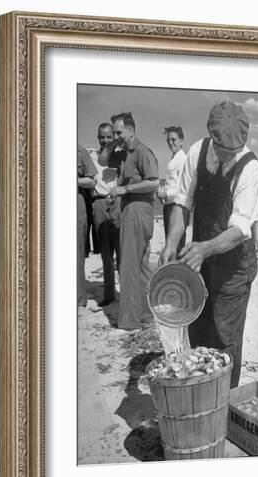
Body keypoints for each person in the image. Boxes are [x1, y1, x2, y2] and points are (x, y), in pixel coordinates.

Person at [160, 100, 258, 388]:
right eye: (223, 150)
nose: (228, 157)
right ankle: (202, 397)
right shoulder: (197, 151)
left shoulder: (250, 168)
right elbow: (182, 203)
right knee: (199, 330)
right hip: (201, 262)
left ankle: (224, 404)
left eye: (234, 151)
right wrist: (171, 242)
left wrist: (204, 248)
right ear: (212, 138)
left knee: (224, 338)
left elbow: (240, 229)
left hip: (234, 268)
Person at [109, 112, 159, 331]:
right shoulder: (125, 153)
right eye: (113, 133)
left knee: (129, 265)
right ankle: (146, 314)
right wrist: (112, 143)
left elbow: (154, 182)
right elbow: (102, 159)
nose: (116, 136)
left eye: (119, 132)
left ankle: (129, 321)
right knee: (140, 267)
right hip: (137, 211)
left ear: (131, 129)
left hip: (137, 211)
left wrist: (125, 188)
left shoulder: (141, 151)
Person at [89, 123, 127, 307]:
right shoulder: (92, 156)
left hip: (116, 203)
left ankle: (126, 294)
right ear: (97, 138)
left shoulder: (120, 155)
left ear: (113, 137)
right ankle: (109, 294)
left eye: (108, 137)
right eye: (101, 137)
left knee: (121, 252)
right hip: (98, 204)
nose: (105, 140)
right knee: (105, 253)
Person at [157, 126, 187, 255]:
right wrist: (162, 195)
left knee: (176, 244)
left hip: (177, 206)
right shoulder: (174, 158)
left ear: (181, 141)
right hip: (169, 205)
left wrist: (166, 193)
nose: (170, 143)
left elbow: (183, 187)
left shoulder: (182, 159)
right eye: (168, 140)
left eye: (173, 139)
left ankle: (177, 272)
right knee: (170, 243)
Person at [77, 143, 98, 307]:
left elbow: (92, 181)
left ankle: (79, 298)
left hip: (77, 202)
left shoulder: (80, 150)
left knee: (77, 253)